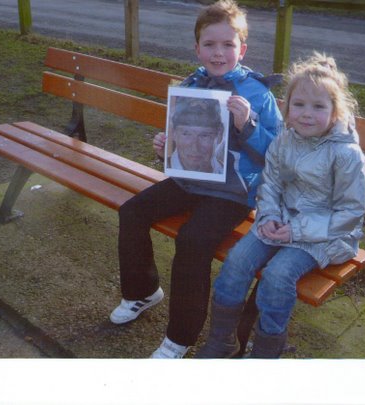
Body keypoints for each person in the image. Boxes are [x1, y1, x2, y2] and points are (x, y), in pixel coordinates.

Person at [109, 0, 283, 359]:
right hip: (189, 182)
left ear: (242, 49)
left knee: (192, 240)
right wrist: (165, 146)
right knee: (132, 211)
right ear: (197, 48)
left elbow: (279, 155)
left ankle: (180, 337)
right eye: (210, 44)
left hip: (232, 194)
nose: (218, 53)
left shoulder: (258, 94)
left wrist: (247, 125)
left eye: (228, 45)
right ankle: (143, 291)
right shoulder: (192, 83)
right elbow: (182, 136)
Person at [196, 51, 365, 359]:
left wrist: (294, 231)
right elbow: (271, 183)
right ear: (287, 108)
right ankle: (222, 340)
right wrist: (269, 217)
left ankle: (266, 352)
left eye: (318, 106)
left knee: (277, 276)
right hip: (279, 223)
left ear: (335, 111)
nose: (306, 114)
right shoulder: (284, 140)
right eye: (298, 105)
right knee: (236, 261)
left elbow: (350, 214)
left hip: (325, 236)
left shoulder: (346, 154)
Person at [166, 96, 225, 174]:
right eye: (186, 134)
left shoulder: (225, 172)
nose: (195, 148)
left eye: (204, 135)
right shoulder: (167, 170)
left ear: (219, 135)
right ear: (173, 133)